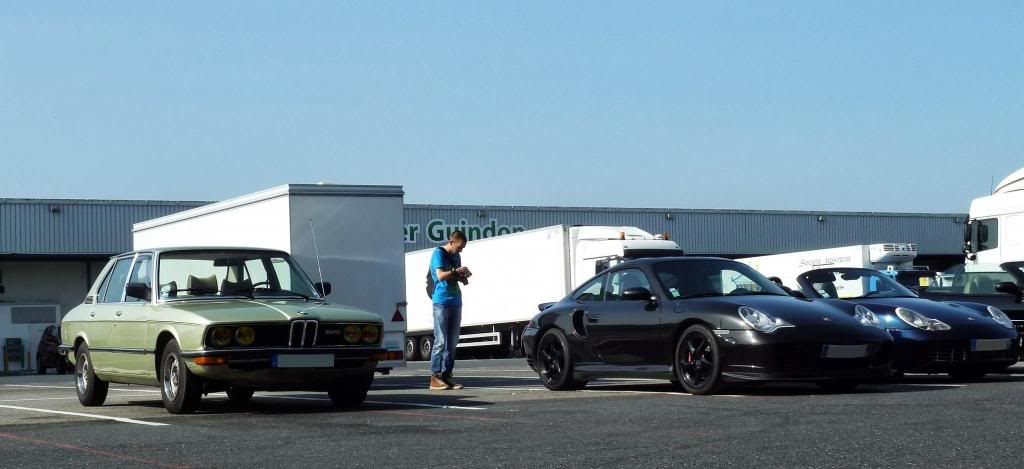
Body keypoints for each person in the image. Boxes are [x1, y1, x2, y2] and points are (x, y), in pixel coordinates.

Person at [429, 231, 472, 390]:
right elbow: (440, 276)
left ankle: (447, 376)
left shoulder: (456, 256)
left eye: (463, 248)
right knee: (440, 340)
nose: (460, 251)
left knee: (452, 342)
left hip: (456, 301)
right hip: (441, 301)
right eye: (459, 247)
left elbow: (453, 276)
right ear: (451, 242)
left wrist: (462, 276)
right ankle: (434, 377)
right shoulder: (438, 253)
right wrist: (455, 271)